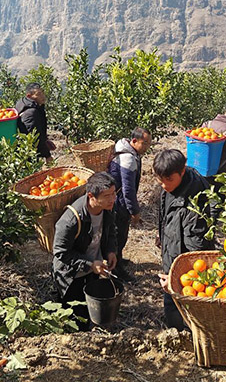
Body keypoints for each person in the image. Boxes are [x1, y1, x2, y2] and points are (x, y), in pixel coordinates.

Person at [154, 149, 213, 330]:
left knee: (184, 308)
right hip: (172, 254)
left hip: (185, 272)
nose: (163, 185)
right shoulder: (171, 186)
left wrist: (174, 278)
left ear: (182, 171)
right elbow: (166, 215)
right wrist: (162, 234)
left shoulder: (195, 202)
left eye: (168, 180)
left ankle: (183, 336)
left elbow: (195, 253)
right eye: (160, 179)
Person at [52, 172, 118, 331]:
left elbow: (111, 232)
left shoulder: (107, 209)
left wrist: (110, 251)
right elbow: (60, 252)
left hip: (91, 271)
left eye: (114, 193)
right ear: (91, 196)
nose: (112, 199)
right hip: (71, 276)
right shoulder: (70, 221)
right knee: (74, 316)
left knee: (88, 310)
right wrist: (88, 264)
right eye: (107, 195)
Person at [107, 127, 152, 281]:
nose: (146, 147)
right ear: (134, 141)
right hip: (118, 204)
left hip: (116, 200)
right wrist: (134, 211)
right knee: (119, 235)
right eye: (144, 144)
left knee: (120, 234)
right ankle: (117, 270)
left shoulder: (125, 150)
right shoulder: (128, 159)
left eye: (149, 144)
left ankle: (119, 258)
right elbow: (128, 190)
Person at [15, 83, 55, 163]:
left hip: (27, 151)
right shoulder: (30, 113)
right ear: (29, 96)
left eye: (42, 92)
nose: (43, 96)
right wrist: (47, 155)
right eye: (39, 94)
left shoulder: (31, 105)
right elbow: (35, 137)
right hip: (26, 154)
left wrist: (45, 140)